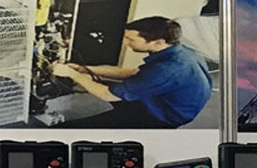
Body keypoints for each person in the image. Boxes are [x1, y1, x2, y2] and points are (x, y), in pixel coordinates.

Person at [49, 16, 211, 129]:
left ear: (158, 42)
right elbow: (132, 73)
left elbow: (108, 95)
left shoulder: (168, 69)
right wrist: (84, 69)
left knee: (67, 130)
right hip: (167, 99)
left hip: (163, 116)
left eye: (131, 40)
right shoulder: (180, 51)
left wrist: (72, 74)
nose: (126, 44)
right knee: (94, 82)